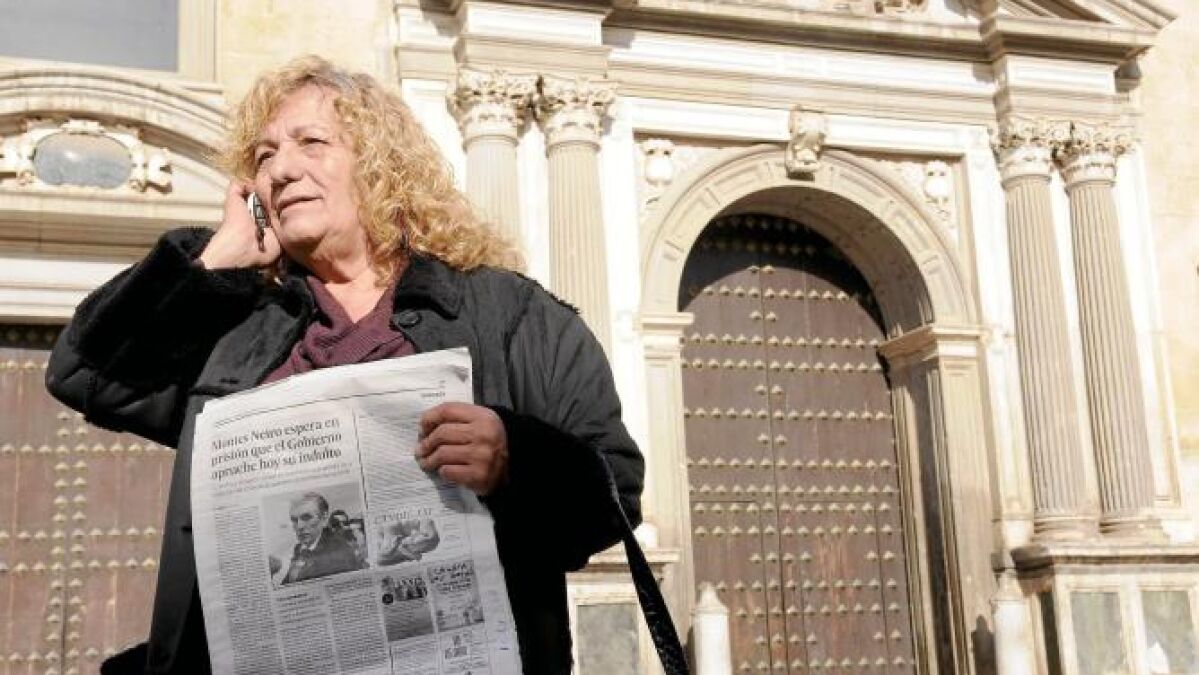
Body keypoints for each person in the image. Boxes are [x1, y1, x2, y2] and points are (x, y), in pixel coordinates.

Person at [46, 55, 643, 675]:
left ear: (382, 166)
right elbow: (85, 376)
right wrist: (213, 262)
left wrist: (516, 461)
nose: (281, 169)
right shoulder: (235, 325)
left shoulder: (512, 315)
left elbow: (616, 497)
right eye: (265, 155)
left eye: (311, 142)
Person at [269, 493, 362, 585]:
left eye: (306, 517)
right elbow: (290, 581)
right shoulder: (299, 548)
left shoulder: (341, 553)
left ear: (324, 519)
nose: (299, 526)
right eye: (294, 520)